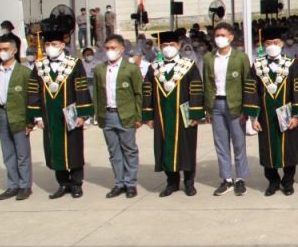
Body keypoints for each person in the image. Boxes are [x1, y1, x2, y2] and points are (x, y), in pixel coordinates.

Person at [27, 30, 94, 198]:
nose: (51, 48)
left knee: (74, 148)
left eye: (54, 44)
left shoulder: (74, 64)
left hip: (70, 113)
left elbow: (81, 89)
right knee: (54, 149)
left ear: (63, 45)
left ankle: (77, 184)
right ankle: (63, 183)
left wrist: (82, 114)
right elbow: (33, 92)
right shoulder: (39, 66)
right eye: (47, 45)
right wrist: (37, 117)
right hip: (49, 115)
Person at [245, 27, 298, 195]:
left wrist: (296, 115)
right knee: (268, 150)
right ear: (263, 45)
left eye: (275, 43)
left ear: (281, 44)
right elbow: (252, 91)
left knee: (289, 148)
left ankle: (288, 182)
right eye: (268, 43)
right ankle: (273, 182)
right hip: (265, 116)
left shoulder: (292, 64)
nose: (272, 46)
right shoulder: (257, 66)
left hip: (286, 114)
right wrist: (253, 117)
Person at [142, 31, 204, 196]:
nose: (168, 48)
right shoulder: (154, 68)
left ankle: (189, 183)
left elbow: (196, 90)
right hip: (162, 116)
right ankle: (172, 182)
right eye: (165, 45)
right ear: (160, 47)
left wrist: (196, 114)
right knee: (166, 148)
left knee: (187, 148)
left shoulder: (188, 65)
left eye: (172, 45)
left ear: (178, 46)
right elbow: (147, 91)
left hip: (184, 115)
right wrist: (148, 115)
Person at [202, 22, 252, 196]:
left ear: (231, 37)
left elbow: (248, 83)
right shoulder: (209, 58)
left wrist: (247, 108)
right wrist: (207, 109)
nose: (219, 39)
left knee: (239, 142)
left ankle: (240, 178)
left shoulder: (240, 57)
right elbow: (207, 84)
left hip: (235, 105)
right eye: (217, 35)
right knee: (221, 143)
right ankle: (226, 178)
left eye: (223, 35)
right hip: (216, 104)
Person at [93, 34, 143, 198]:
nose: (110, 51)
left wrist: (138, 116)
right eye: (107, 48)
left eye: (113, 48)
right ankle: (119, 183)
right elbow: (97, 94)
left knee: (129, 150)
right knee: (114, 151)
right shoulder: (100, 69)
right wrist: (97, 114)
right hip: (107, 114)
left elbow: (138, 93)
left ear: (122, 49)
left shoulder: (131, 68)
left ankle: (130, 183)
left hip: (126, 114)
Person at [0, 35, 33, 200]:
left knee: (22, 153)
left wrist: (30, 121)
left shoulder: (24, 72)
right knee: (8, 153)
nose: (2, 52)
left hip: (19, 115)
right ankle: (12, 185)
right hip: (1, 113)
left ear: (14, 50)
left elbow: (31, 99)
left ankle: (25, 185)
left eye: (5, 49)